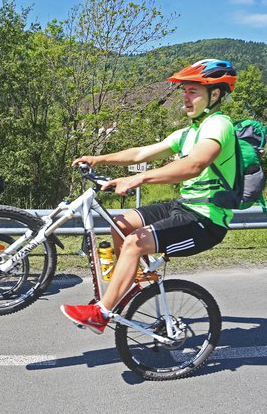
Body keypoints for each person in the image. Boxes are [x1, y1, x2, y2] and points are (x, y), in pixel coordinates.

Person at [60, 59, 238, 334]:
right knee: (120, 225)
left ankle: (101, 313)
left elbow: (194, 165)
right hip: (184, 205)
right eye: (185, 91)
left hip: (207, 220)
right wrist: (99, 158)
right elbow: (142, 153)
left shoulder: (218, 125)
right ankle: (129, 287)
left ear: (214, 94)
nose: (185, 98)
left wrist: (139, 177)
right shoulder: (189, 132)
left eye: (193, 91)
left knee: (133, 243)